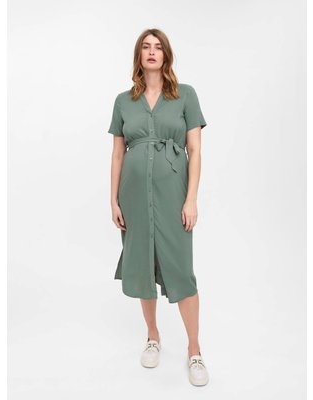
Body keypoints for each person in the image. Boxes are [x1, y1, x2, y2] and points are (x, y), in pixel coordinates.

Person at [107, 28, 209, 386]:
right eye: (146, 47)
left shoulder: (185, 95)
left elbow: (195, 150)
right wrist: (113, 199)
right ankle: (153, 336)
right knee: (142, 265)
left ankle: (194, 350)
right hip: (134, 196)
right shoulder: (123, 101)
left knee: (181, 269)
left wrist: (191, 198)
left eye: (158, 47)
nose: (152, 52)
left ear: (166, 55)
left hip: (173, 194)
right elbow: (118, 153)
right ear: (139, 55)